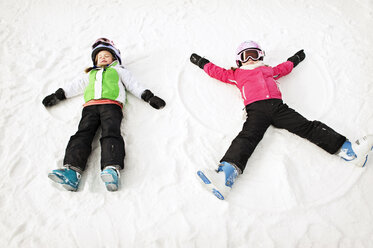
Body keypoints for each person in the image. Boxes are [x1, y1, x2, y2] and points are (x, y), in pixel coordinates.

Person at [190, 40, 373, 200]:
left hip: (278, 108)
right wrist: (202, 62)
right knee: (247, 138)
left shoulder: (268, 70)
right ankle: (225, 176)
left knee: (307, 126)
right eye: (245, 56)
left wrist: (295, 59)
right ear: (239, 60)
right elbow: (218, 72)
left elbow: (284, 68)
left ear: (261, 56)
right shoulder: (237, 74)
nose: (250, 59)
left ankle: (349, 151)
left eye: (254, 54)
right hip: (256, 111)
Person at [43, 38, 166, 192]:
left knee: (111, 133)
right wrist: (58, 95)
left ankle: (111, 168)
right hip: (90, 107)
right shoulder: (91, 74)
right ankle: (72, 172)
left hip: (111, 106)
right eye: (99, 56)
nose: (102, 58)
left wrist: (148, 96)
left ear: (114, 58)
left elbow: (134, 85)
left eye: (107, 55)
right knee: (82, 134)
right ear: (95, 60)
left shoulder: (119, 71)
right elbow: (74, 86)